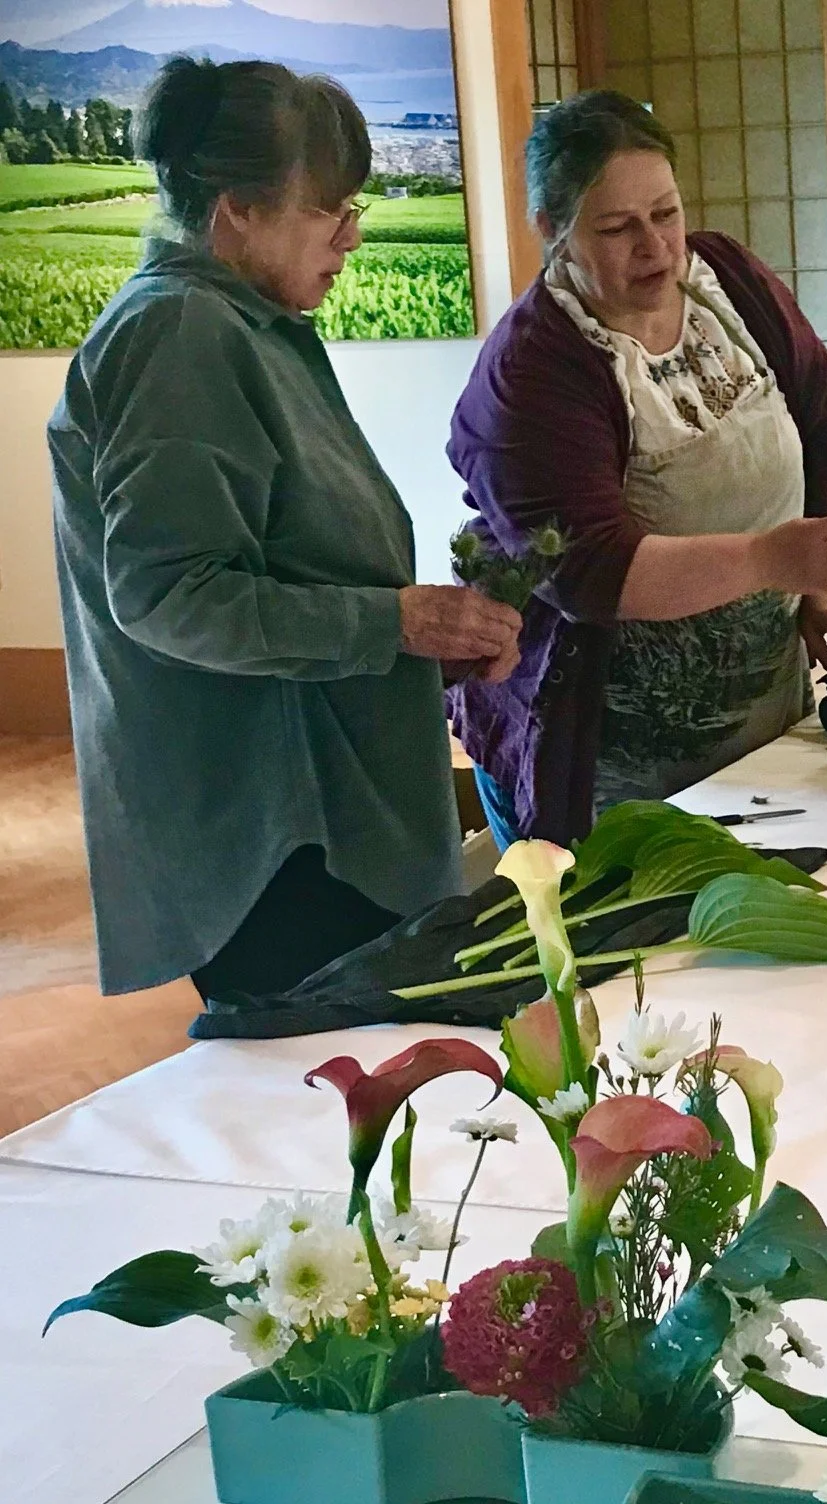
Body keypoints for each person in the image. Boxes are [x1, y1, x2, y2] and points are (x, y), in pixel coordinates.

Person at [49, 58, 521, 1002]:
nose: (352, 235)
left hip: (312, 821)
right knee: (320, 1109)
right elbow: (168, 596)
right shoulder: (180, 332)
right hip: (275, 837)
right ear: (236, 211)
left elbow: (292, 559)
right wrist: (394, 625)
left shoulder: (235, 319)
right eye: (328, 209)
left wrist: (415, 643)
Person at [447, 90, 827, 847]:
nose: (655, 247)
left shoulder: (725, 281)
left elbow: (820, 401)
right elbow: (591, 572)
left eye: (666, 214)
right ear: (553, 233)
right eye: (618, 228)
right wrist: (768, 561)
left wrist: (821, 572)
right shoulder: (535, 369)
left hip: (760, 721)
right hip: (607, 750)